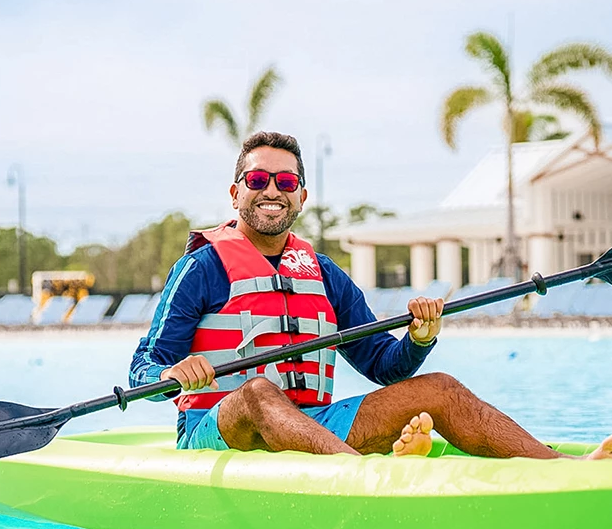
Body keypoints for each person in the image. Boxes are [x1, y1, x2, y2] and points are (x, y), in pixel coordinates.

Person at [130, 131, 612, 461]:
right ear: (236, 193)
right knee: (256, 394)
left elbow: (383, 366)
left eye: (286, 181)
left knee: (439, 387)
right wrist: (171, 373)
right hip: (218, 432)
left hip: (313, 424)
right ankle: (365, 475)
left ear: (301, 197)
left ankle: (564, 467)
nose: (271, 190)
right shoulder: (200, 268)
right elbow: (143, 368)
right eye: (257, 180)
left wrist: (419, 340)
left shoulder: (323, 273)